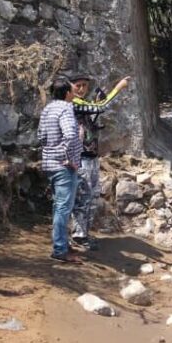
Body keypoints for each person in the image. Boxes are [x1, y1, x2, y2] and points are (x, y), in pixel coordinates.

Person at [68, 73, 132, 251]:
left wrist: (97, 102)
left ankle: (82, 234)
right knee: (83, 196)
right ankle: (79, 236)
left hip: (91, 156)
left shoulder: (83, 105)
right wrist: (118, 88)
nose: (81, 89)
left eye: (84, 85)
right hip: (81, 158)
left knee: (90, 195)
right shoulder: (75, 103)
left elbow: (94, 112)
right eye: (77, 85)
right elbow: (99, 108)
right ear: (70, 87)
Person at [37, 77, 83, 263]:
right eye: (73, 91)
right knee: (63, 208)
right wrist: (68, 158)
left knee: (58, 206)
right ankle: (60, 250)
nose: (75, 94)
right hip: (63, 166)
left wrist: (51, 151)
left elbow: (40, 136)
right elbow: (71, 134)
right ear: (66, 93)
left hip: (49, 164)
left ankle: (62, 244)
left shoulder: (47, 109)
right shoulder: (66, 108)